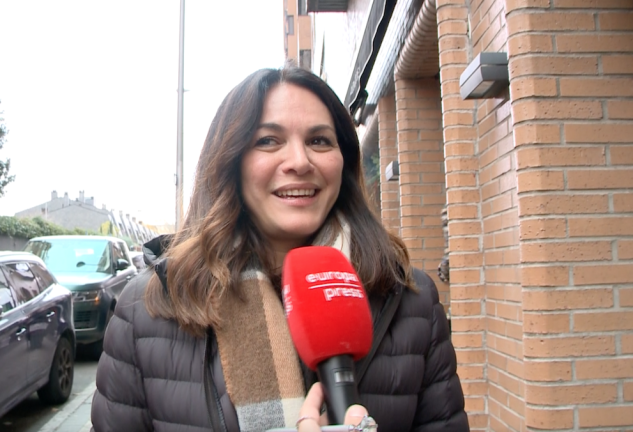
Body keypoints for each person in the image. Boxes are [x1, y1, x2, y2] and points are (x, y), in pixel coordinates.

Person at [90, 66, 469, 432]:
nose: (300, 162)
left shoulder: (410, 300)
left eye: (319, 140)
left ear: (344, 161)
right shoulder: (147, 308)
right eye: (268, 141)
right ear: (230, 161)